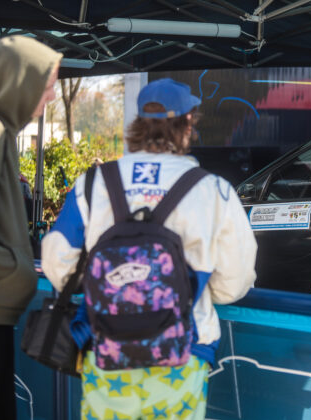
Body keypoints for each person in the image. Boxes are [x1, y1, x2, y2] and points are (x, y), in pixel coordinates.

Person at [41, 78, 257, 420]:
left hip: (106, 348)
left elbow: (58, 265)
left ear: (138, 123)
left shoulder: (92, 183)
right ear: (188, 122)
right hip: (184, 352)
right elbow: (234, 283)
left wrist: (112, 284)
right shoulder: (214, 191)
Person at [0, 35, 62, 419]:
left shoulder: (0, 130)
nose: (52, 96)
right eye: (47, 84)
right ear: (21, 81)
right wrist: (14, 267)